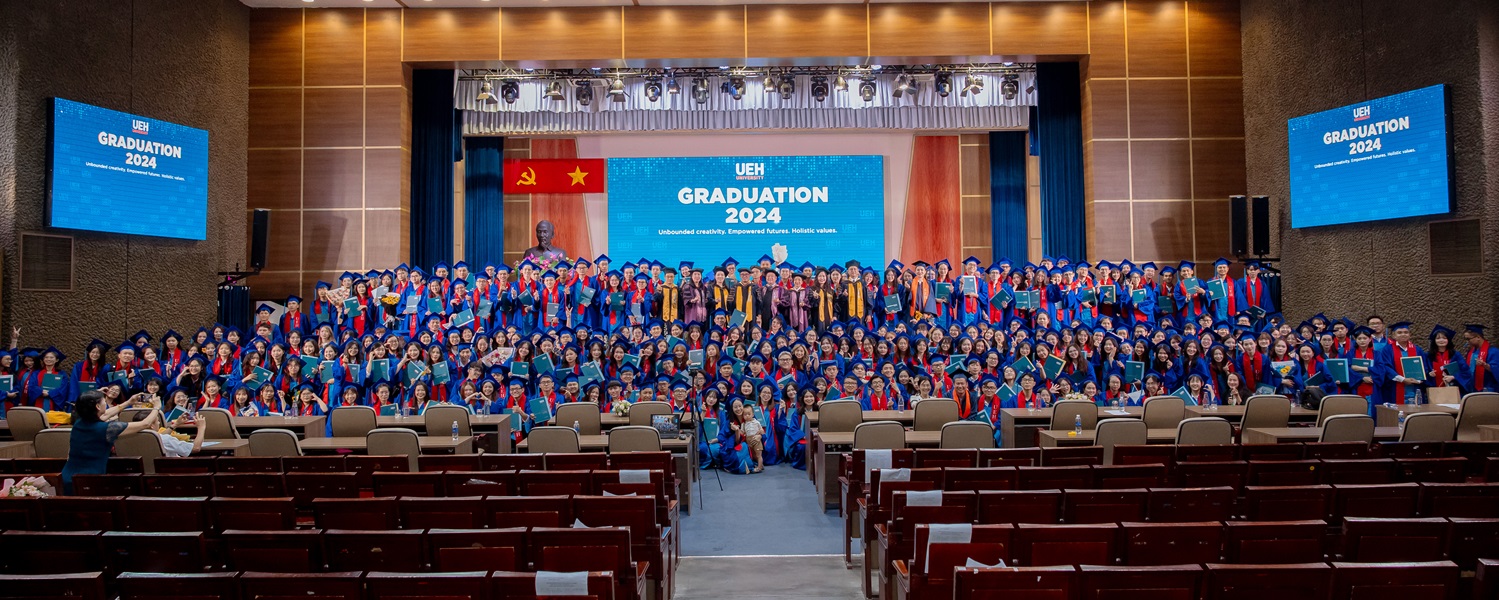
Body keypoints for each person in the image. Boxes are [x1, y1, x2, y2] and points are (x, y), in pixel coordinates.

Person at [60, 391, 161, 493]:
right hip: (89, 481)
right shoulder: (106, 429)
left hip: (67, 477)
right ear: (98, 406)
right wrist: (156, 407)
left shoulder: (79, 422)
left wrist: (128, 403)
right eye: (104, 400)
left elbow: (105, 415)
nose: (105, 402)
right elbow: (145, 423)